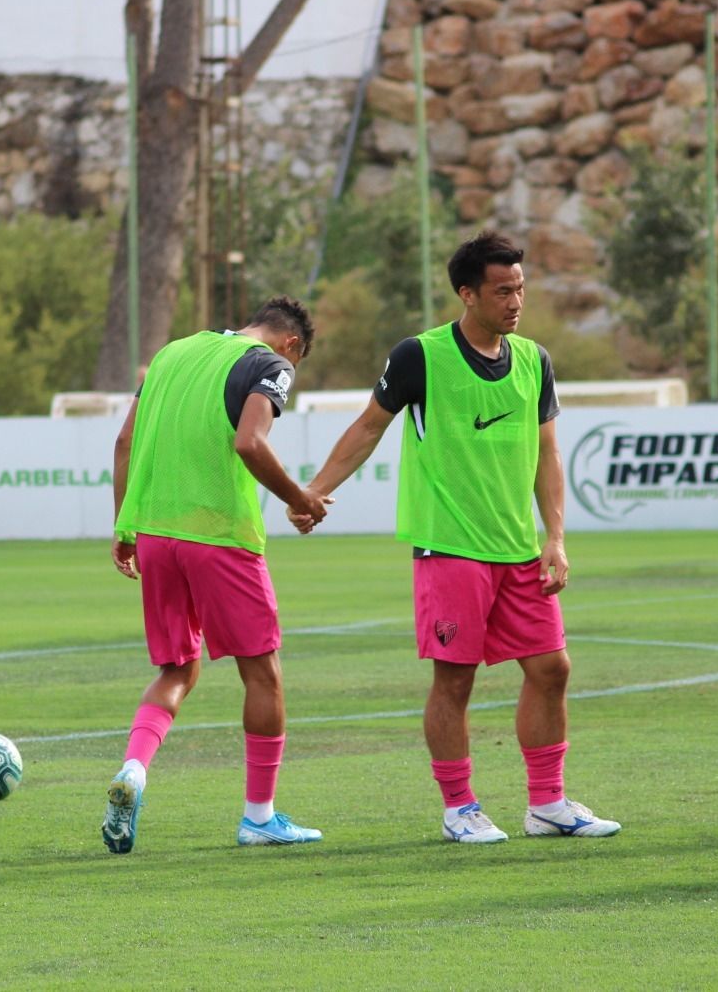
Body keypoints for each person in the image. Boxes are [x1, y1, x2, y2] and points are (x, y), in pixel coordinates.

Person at [295, 231, 619, 844]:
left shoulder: (535, 360)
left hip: (519, 549)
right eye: (502, 291)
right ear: (467, 294)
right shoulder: (419, 356)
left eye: (520, 288)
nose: (515, 301)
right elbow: (368, 427)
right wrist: (314, 492)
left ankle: (547, 803)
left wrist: (555, 538)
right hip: (449, 547)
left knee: (552, 668)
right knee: (455, 679)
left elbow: (548, 453)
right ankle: (459, 808)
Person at [103, 295, 332, 853]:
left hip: (155, 532)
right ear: (292, 344)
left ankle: (133, 770)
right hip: (220, 536)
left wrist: (124, 524)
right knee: (263, 675)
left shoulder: (172, 353)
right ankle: (259, 817)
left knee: (177, 668)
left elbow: (125, 441)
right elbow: (249, 442)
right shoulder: (270, 363)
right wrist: (300, 498)